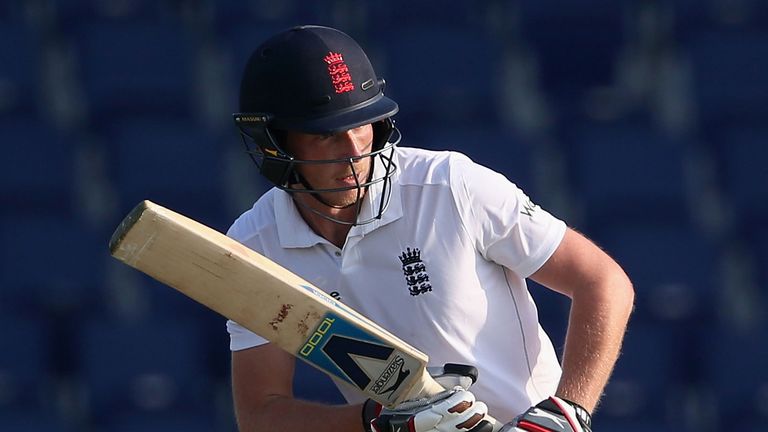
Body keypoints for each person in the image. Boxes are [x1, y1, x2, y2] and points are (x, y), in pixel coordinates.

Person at [227, 25, 634, 432]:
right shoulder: (255, 247)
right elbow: (261, 415)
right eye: (326, 135)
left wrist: (567, 411)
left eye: (362, 125)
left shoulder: (450, 185)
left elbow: (603, 281)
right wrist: (375, 422)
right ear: (274, 144)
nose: (354, 153)